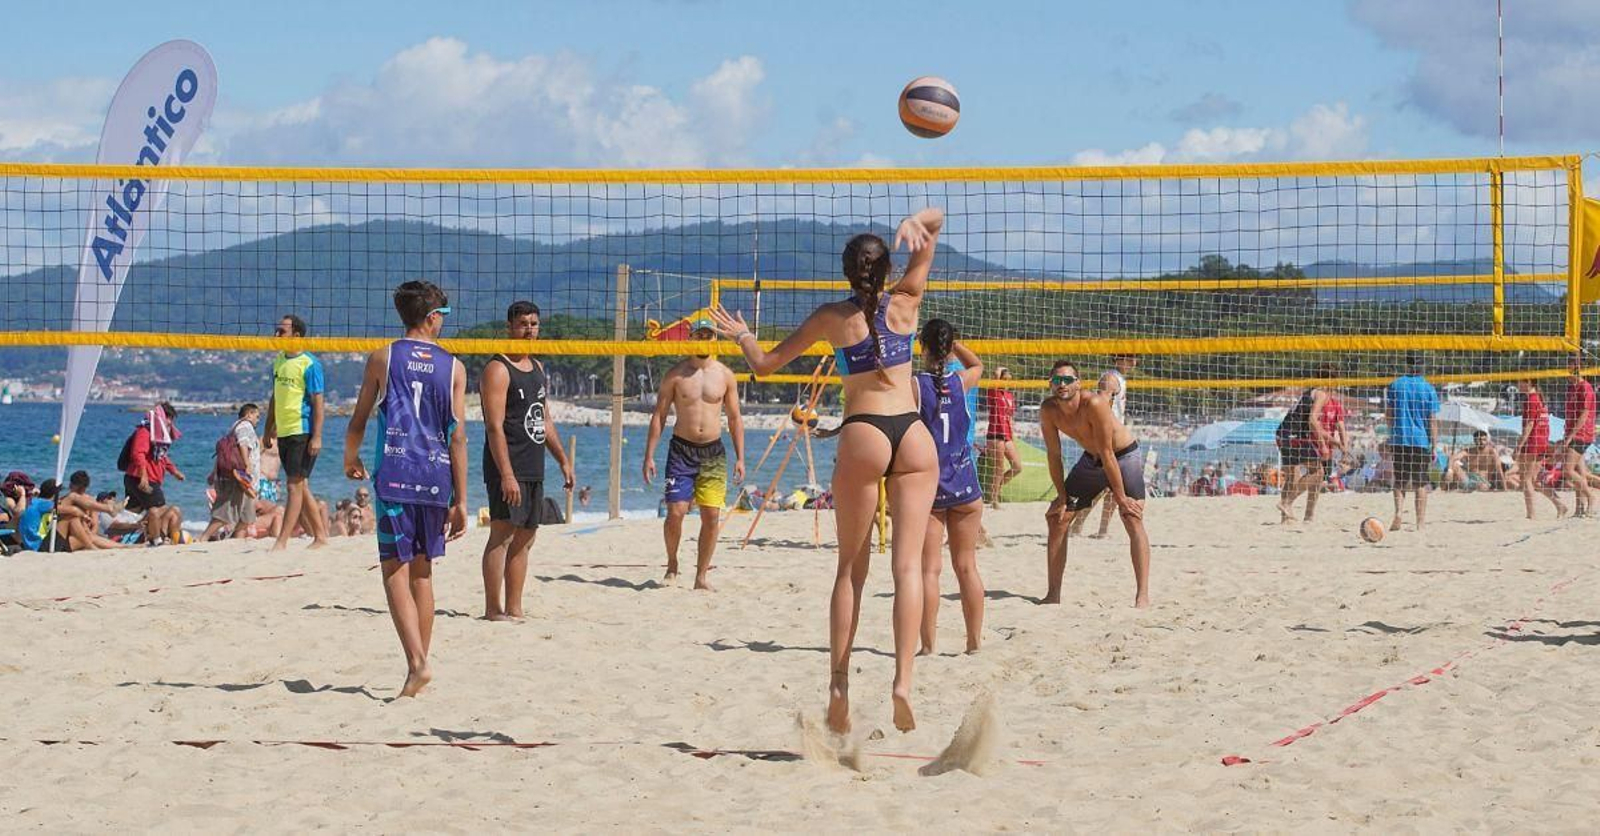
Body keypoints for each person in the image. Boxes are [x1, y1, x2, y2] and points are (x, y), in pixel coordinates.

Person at [710, 205, 943, 734]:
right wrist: (918, 221)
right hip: (913, 434)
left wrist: (743, 336)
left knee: (850, 572)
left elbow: (764, 365)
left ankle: (839, 683)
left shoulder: (832, 318)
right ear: (886, 271)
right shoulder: (907, 302)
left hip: (864, 433)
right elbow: (934, 226)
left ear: (846, 272)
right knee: (907, 568)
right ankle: (903, 681)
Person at [343, 280, 469, 698]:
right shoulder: (454, 367)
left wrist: (350, 457)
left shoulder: (383, 357)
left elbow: (359, 419)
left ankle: (417, 663)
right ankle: (419, 666)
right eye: (445, 317)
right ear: (432, 317)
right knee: (423, 571)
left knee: (393, 569)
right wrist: (463, 499)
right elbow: (458, 438)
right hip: (436, 476)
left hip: (395, 473)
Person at [481, 300, 575, 620]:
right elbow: (494, 426)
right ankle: (493, 609)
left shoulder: (536, 367)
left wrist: (563, 459)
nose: (529, 329)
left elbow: (544, 420)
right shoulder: (498, 368)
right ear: (510, 327)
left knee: (526, 537)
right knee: (503, 534)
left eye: (534, 324)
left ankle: (515, 608)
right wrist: (506, 474)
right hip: (507, 465)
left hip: (534, 464)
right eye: (523, 324)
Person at [643, 317, 745, 590]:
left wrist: (741, 458)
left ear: (715, 339)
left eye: (708, 335)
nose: (704, 340)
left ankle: (701, 577)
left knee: (712, 516)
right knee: (675, 511)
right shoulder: (675, 374)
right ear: (691, 338)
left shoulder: (725, 375)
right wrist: (649, 455)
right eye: (699, 335)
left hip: (713, 451)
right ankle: (672, 563)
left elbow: (735, 418)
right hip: (681, 450)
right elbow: (659, 416)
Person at [1040, 360, 1152, 608]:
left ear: (1078, 384)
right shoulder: (1049, 410)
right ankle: (1053, 594)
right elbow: (1054, 456)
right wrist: (1062, 496)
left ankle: (1142, 595)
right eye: (1057, 380)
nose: (1062, 384)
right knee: (1058, 518)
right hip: (1091, 459)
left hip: (1122, 455)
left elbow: (1108, 452)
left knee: (1131, 516)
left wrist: (1122, 498)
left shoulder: (1094, 404)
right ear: (1050, 384)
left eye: (1068, 379)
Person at [913, 320, 986, 655]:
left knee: (930, 570)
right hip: (966, 484)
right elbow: (978, 364)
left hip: (931, 488)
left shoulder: (915, 385)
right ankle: (973, 644)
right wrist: (954, 345)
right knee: (967, 567)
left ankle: (928, 648)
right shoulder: (961, 381)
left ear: (923, 347)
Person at [264, 314, 330, 552]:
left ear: (297, 335)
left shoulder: (310, 364)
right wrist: (267, 428)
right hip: (284, 430)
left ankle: (282, 541)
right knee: (301, 485)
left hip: (302, 430)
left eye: (281, 331)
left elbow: (319, 403)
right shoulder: (279, 361)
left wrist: (318, 436)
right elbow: (275, 397)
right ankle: (321, 536)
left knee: (294, 485)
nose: (276, 335)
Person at [1076, 353, 1137, 538]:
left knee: (1114, 487)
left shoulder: (1119, 379)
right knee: (1100, 487)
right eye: (1130, 358)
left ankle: (1102, 530)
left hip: (1115, 438)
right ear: (1118, 359)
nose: (1134, 362)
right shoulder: (1110, 378)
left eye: (1135, 358)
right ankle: (1076, 525)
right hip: (1106, 438)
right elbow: (1101, 403)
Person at [1274, 366, 1344, 524]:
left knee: (1292, 476)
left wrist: (1333, 442)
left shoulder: (1309, 392)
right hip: (1296, 434)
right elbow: (1312, 420)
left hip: (1282, 433)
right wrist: (1323, 445)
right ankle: (1286, 503)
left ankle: (1285, 519)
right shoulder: (1322, 394)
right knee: (1318, 472)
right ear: (1332, 380)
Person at [1384, 352, 1440, 531]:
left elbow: (1389, 415)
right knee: (1421, 483)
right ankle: (1420, 523)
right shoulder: (1428, 388)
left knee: (1399, 480)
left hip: (1400, 438)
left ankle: (1399, 513)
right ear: (1422, 366)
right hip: (1420, 440)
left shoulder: (1395, 385)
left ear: (1407, 365)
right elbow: (1432, 420)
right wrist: (1434, 445)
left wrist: (1390, 435)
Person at [121, 403, 187, 546]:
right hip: (141, 477)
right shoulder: (145, 431)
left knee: (137, 512)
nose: (170, 423)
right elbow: (138, 454)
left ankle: (140, 537)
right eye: (169, 418)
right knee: (156, 509)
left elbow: (162, 457)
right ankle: (157, 540)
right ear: (163, 417)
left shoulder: (158, 434)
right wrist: (143, 476)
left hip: (145, 478)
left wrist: (174, 471)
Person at [202, 404, 263, 542]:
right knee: (226, 513)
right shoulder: (245, 426)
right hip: (241, 477)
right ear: (248, 414)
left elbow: (225, 453)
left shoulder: (233, 428)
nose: (258, 420)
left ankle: (237, 542)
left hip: (241, 477)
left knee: (247, 516)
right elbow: (243, 444)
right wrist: (247, 466)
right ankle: (203, 537)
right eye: (257, 416)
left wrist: (214, 472)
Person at [1513, 378, 1567, 519]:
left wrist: (1518, 446)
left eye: (1520, 382)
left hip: (1532, 443)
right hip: (1541, 442)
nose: (1518, 385)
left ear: (1530, 383)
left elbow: (1529, 425)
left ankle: (1531, 515)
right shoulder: (1540, 400)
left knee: (1526, 480)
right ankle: (1560, 505)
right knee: (1535, 480)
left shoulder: (1531, 400)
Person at [54, 471, 130, 551]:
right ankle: (110, 509)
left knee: (90, 536)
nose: (80, 491)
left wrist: (87, 535)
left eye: (82, 488)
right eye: (79, 488)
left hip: (82, 538)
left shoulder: (89, 502)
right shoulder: (65, 500)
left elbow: (95, 526)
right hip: (67, 539)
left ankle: (126, 546)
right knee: (88, 535)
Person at [1558, 354, 1595, 517]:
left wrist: (1570, 436)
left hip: (1581, 434)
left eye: (1570, 364)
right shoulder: (1571, 387)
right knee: (1579, 473)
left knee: (1567, 470)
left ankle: (1591, 497)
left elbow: (1584, 415)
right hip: (1572, 433)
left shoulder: (1585, 387)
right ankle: (1580, 508)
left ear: (1577, 366)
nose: (1567, 367)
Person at [980, 367, 1021, 508]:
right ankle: (994, 499)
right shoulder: (994, 391)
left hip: (1007, 435)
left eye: (1009, 380)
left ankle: (994, 491)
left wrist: (1012, 437)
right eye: (1005, 379)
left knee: (1017, 466)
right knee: (998, 469)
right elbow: (995, 374)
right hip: (995, 434)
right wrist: (999, 371)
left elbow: (1010, 417)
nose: (1007, 382)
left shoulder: (1009, 396)